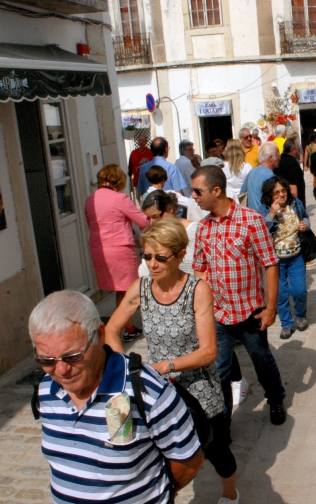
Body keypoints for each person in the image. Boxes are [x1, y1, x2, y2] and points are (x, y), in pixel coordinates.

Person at [105, 219, 240, 504]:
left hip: (198, 387)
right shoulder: (140, 288)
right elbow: (111, 330)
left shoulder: (197, 289)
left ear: (180, 255)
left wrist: (166, 366)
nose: (152, 264)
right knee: (149, 447)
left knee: (216, 450)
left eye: (160, 257)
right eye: (148, 256)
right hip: (157, 389)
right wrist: (123, 371)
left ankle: (230, 494)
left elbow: (208, 352)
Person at [30, 290, 203, 503]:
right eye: (47, 360)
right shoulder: (46, 391)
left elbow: (188, 461)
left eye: (72, 356)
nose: (62, 370)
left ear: (100, 335)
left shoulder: (149, 392)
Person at [191, 165, 288, 426]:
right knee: (219, 370)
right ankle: (223, 424)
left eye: (197, 191)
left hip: (249, 311)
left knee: (261, 360)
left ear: (216, 190)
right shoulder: (202, 228)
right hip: (218, 314)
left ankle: (276, 397)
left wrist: (270, 308)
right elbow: (199, 270)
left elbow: (270, 263)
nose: (193, 197)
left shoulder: (251, 221)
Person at [141, 191, 252, 406]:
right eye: (149, 218)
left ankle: (229, 400)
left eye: (157, 216)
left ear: (170, 210)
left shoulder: (196, 230)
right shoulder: (153, 239)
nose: (152, 222)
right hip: (173, 303)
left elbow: (210, 265)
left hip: (199, 299)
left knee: (217, 356)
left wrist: (198, 289)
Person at [84, 165, 149, 341]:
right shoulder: (119, 198)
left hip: (99, 248)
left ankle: (128, 327)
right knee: (129, 291)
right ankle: (116, 327)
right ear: (118, 180)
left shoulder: (91, 199)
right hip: (119, 248)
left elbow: (91, 224)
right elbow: (143, 221)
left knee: (120, 290)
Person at [261, 176, 310, 340]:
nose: (281, 195)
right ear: (270, 194)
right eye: (276, 192)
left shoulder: (295, 204)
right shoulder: (264, 209)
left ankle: (301, 314)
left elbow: (306, 218)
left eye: (283, 191)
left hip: (296, 257)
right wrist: (272, 214)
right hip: (275, 261)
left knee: (299, 290)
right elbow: (261, 231)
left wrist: (305, 225)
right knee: (281, 294)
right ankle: (286, 324)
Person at [241, 142, 280, 215]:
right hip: (265, 219)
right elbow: (276, 201)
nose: (279, 158)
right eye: (278, 155)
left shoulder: (251, 172)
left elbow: (242, 193)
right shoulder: (270, 176)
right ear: (270, 158)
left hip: (252, 218)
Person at [274, 139, 306, 207]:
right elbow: (293, 186)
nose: (299, 151)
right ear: (292, 150)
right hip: (291, 202)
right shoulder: (292, 163)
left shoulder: (279, 160)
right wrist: (296, 207)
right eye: (298, 148)